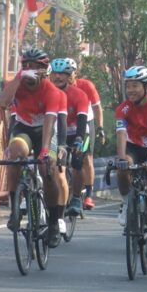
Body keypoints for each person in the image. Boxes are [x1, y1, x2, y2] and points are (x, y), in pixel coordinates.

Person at [0, 48, 68, 246]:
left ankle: (53, 222)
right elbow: (2, 103)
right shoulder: (17, 84)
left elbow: (50, 122)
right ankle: (15, 210)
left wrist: (45, 151)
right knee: (15, 156)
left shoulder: (52, 92)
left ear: (44, 71)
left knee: (48, 169)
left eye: (34, 67)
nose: (29, 71)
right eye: (25, 66)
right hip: (24, 128)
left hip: (45, 130)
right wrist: (18, 77)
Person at [114, 65, 147, 264]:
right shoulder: (124, 108)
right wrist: (121, 158)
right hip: (132, 148)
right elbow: (121, 135)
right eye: (128, 86)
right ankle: (127, 201)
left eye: (135, 86)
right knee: (123, 166)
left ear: (146, 87)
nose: (130, 91)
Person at [48, 59, 91, 217]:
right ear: (50, 75)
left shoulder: (79, 95)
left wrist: (79, 139)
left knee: (77, 162)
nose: (58, 77)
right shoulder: (48, 92)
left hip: (78, 132)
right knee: (52, 164)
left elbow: (82, 119)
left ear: (69, 77)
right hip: (57, 133)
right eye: (55, 74)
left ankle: (77, 198)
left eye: (62, 74)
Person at [68, 62, 104, 210]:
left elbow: (97, 108)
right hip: (65, 125)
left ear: (75, 73)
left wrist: (100, 127)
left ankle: (88, 194)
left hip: (85, 124)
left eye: (69, 73)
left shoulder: (86, 86)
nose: (64, 77)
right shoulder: (55, 88)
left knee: (86, 158)